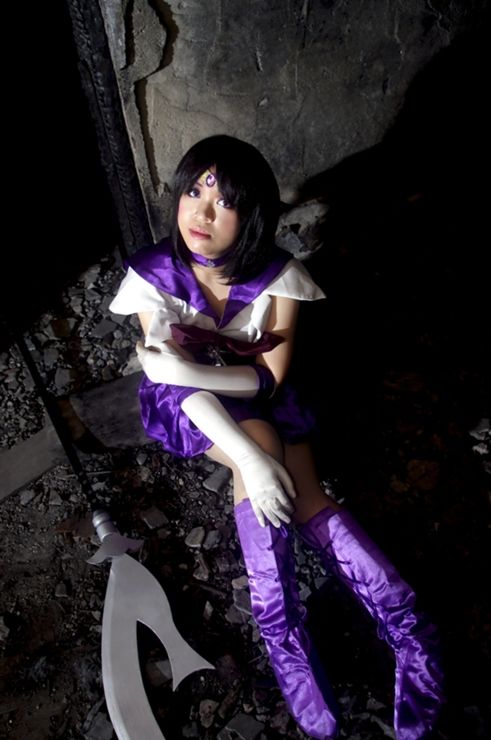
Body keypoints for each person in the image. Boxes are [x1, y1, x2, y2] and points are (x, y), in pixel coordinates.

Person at [109, 134, 444, 739]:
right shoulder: (156, 273)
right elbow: (177, 388)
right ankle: (290, 639)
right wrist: (248, 458)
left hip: (258, 392)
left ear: (253, 215)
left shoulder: (280, 278)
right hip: (195, 407)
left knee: (304, 493)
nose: (201, 213)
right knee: (263, 449)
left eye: (224, 202)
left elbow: (268, 378)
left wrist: (184, 371)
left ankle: (408, 633)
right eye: (193, 192)